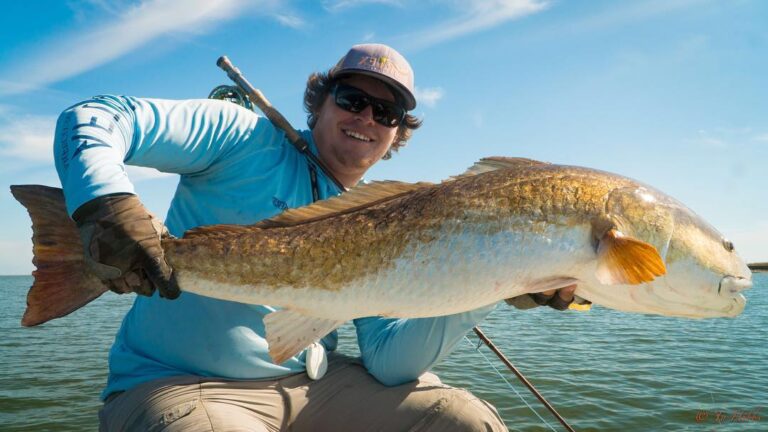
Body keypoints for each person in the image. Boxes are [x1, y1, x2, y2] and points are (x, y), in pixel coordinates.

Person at [53, 43, 575, 431]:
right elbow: (94, 117)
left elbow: (390, 364)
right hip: (177, 383)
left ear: (397, 132)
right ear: (320, 101)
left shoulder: (391, 218)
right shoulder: (237, 133)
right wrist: (104, 205)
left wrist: (493, 281)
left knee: (463, 420)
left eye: (386, 112)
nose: (366, 118)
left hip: (313, 387)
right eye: (352, 99)